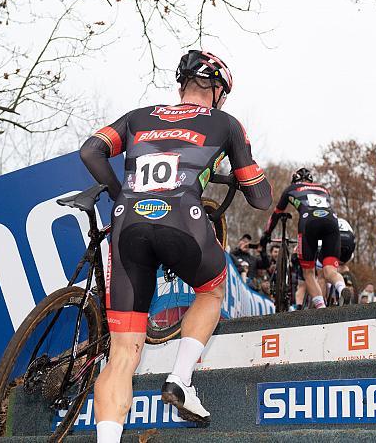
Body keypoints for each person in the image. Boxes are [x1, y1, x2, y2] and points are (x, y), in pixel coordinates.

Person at [79, 50, 272, 442]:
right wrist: (241, 165)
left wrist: (122, 196)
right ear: (217, 90)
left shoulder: (138, 116)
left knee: (121, 357)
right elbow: (261, 199)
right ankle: (181, 379)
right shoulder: (225, 123)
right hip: (182, 219)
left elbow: (90, 151)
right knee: (212, 290)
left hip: (128, 223)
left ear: (182, 83)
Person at [261, 168, 348, 308]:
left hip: (309, 222)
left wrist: (266, 234)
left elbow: (276, 214)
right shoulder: (323, 189)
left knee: (308, 272)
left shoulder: (291, 188)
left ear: (295, 180)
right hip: (332, 222)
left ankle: (321, 307)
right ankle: (342, 288)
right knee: (330, 271)